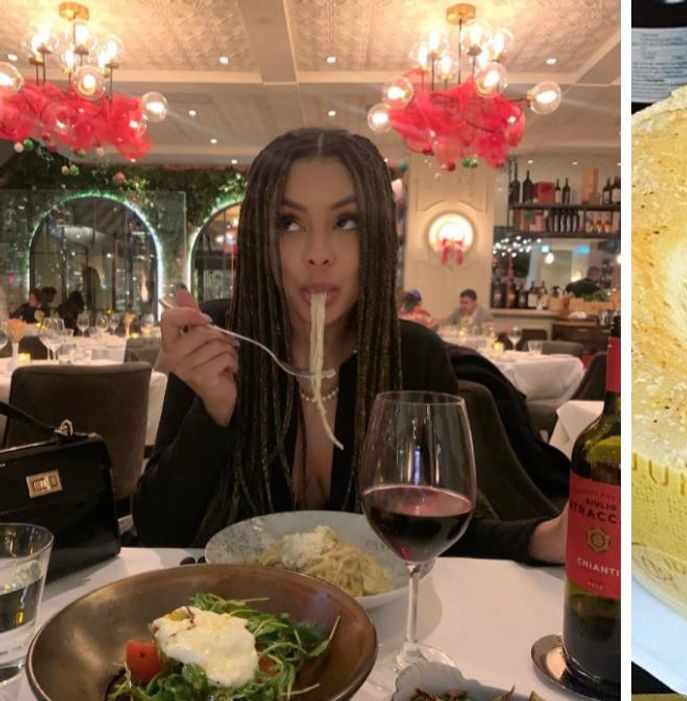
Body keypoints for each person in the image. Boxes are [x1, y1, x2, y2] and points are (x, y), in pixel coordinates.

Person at [134, 128, 566, 563]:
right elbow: (160, 531)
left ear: (377, 236)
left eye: (346, 222)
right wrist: (212, 413)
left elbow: (441, 527)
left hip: (381, 620)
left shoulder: (411, 354)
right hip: (233, 616)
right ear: (260, 239)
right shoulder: (219, 336)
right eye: (289, 223)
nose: (318, 254)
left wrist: (541, 538)